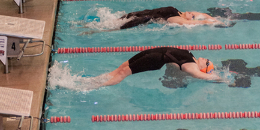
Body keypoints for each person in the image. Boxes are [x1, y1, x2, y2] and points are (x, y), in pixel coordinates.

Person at [81, 46, 225, 88]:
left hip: (157, 59)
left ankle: (93, 86)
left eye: (207, 63)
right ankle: (95, 80)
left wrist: (221, 79)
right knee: (122, 67)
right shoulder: (192, 58)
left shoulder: (192, 67)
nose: (207, 59)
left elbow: (202, 76)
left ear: (202, 68)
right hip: (155, 51)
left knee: (123, 72)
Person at [117, 6, 231, 29]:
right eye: (192, 14)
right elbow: (205, 16)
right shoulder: (179, 12)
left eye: (192, 16)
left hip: (143, 19)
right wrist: (217, 20)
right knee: (116, 20)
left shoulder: (178, 19)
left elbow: (203, 21)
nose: (192, 14)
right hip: (142, 13)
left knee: (117, 26)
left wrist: (217, 23)